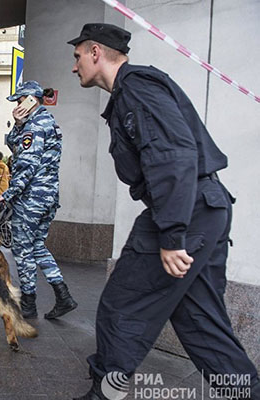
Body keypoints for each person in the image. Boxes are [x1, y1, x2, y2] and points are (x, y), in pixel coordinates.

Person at [68, 23, 260, 400]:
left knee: (121, 307)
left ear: (95, 52)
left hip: (184, 211)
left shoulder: (136, 88)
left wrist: (172, 234)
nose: (74, 67)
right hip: (204, 206)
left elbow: (173, 155)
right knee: (199, 322)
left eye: (77, 57)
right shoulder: (133, 91)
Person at [0, 81, 77, 320]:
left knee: (22, 250)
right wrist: (19, 124)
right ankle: (63, 296)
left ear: (31, 99)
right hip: (48, 197)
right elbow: (14, 145)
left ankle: (28, 305)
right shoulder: (43, 122)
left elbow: (27, 165)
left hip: (32, 197)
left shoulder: (36, 126)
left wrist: (7, 195)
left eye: (20, 100)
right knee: (38, 246)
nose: (18, 105)